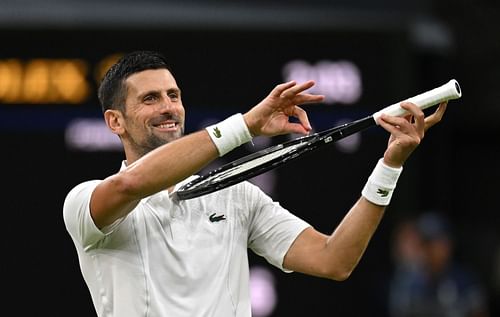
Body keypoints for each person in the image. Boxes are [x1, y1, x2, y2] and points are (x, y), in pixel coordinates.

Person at [63, 50, 448, 317]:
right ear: (115, 121)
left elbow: (335, 259)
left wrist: (390, 165)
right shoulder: (84, 202)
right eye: (150, 98)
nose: (168, 107)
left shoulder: (236, 196)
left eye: (174, 95)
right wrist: (245, 125)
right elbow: (132, 184)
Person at [388, 211, 490, 317]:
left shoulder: (466, 281)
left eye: (438, 243)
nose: (433, 250)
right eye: (427, 243)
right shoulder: (407, 283)